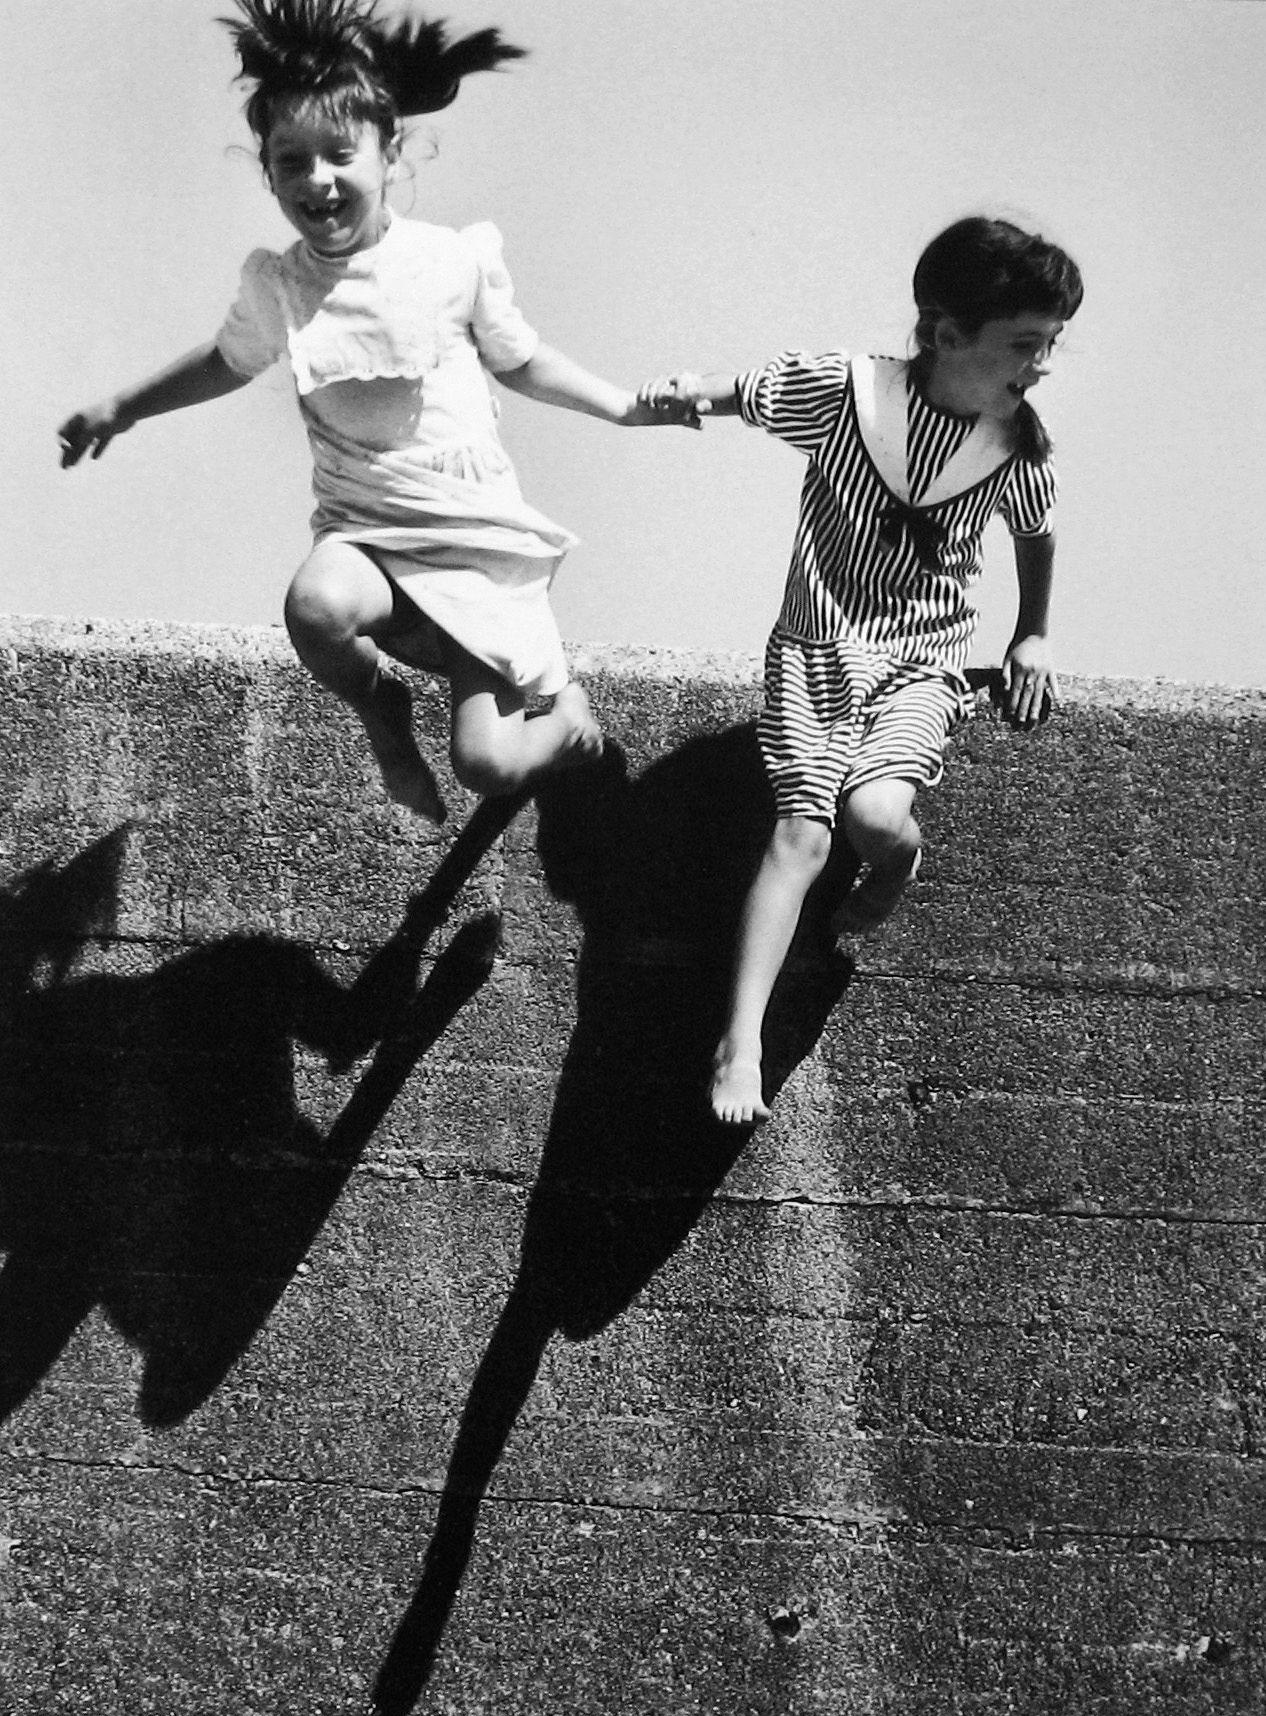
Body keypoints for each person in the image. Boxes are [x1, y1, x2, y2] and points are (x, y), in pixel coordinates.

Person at [59, 0, 690, 826]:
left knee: (487, 763)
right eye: (292, 162)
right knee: (315, 606)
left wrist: (624, 407)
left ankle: (567, 725)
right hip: (368, 532)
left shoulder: (449, 261)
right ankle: (383, 713)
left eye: (339, 155)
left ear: (390, 153)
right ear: (269, 173)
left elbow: (523, 359)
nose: (317, 179)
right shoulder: (279, 285)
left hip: (470, 537)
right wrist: (123, 407)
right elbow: (224, 361)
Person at [641, 214, 1084, 1125]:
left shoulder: (1015, 445)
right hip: (815, 648)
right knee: (800, 836)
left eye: (1050, 345)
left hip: (924, 660)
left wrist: (1030, 635)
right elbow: (749, 390)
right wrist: (680, 393)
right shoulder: (849, 397)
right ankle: (742, 1038)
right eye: (1024, 345)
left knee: (878, 815)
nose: (1039, 365)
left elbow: (1035, 536)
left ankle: (897, 863)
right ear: (945, 332)